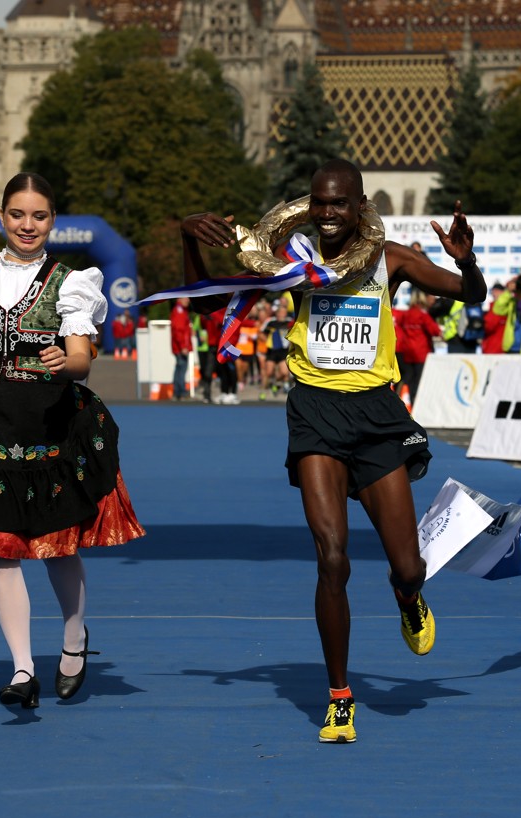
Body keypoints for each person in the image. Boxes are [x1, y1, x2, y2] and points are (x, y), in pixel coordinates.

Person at [181, 158, 486, 743]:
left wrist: (465, 259)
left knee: (408, 565)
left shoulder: (389, 258)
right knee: (332, 558)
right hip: (316, 414)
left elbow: (466, 294)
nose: (326, 214)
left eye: (338, 204)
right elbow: (202, 305)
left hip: (375, 417)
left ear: (360, 204)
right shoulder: (292, 262)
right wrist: (189, 241)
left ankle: (408, 597)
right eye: (318, 203)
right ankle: (340, 696)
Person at [0, 172, 145, 709]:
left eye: (39, 216)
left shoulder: (70, 283)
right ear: (2, 217)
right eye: (18, 214)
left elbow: (81, 357)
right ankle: (22, 668)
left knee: (54, 546)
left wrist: (64, 362)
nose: (28, 225)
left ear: (52, 221)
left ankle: (74, 638)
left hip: (46, 424)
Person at [393, 287, 441, 404]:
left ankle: (399, 399)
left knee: (408, 379)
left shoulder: (406, 315)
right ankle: (416, 404)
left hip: (408, 353)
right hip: (421, 353)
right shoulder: (423, 315)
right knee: (419, 382)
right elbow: (435, 331)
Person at [169, 299, 193, 399]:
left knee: (179, 368)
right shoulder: (180, 311)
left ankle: (177, 391)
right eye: (185, 298)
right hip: (180, 346)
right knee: (181, 368)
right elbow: (178, 330)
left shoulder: (181, 310)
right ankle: (180, 391)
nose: (188, 300)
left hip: (179, 346)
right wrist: (183, 346)